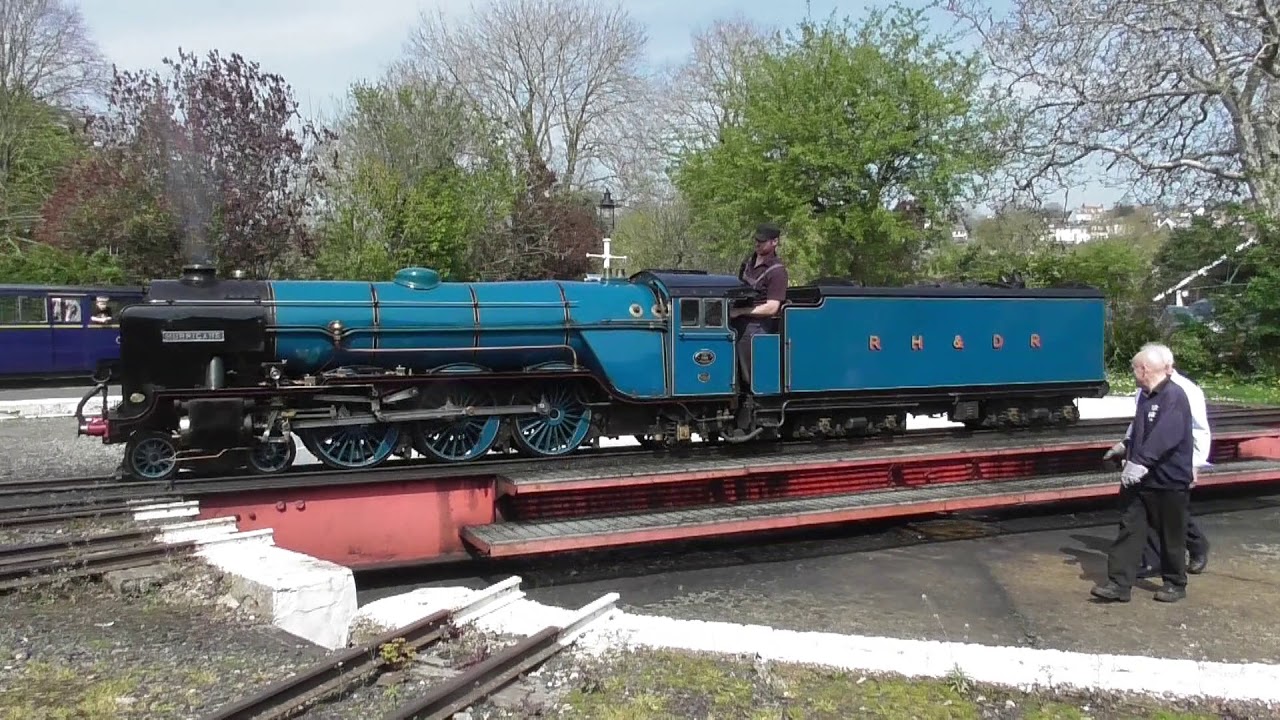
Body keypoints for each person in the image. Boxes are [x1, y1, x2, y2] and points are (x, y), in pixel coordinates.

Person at [1091, 345, 1195, 603]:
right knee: (1130, 529)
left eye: (1134, 368)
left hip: (1167, 479)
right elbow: (1140, 429)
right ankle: (1119, 583)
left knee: (1170, 533)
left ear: (1144, 369)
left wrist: (1141, 463)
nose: (1133, 373)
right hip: (1140, 480)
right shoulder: (1146, 396)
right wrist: (1124, 446)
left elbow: (1166, 436)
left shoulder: (1174, 396)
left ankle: (1175, 583)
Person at [1104, 344, 1211, 577]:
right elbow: (1140, 423)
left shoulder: (1183, 391)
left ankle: (1197, 546)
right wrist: (1126, 444)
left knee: (1173, 519)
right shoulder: (1145, 390)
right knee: (1149, 515)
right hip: (1148, 462)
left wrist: (1196, 464)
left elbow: (1199, 429)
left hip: (1173, 462)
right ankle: (1152, 561)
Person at [728, 223, 788, 434]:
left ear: (774, 243)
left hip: (758, 324)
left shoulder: (778, 271)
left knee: (749, 340)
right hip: (738, 318)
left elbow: (772, 307)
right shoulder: (747, 263)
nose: (757, 244)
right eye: (756, 240)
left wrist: (742, 311)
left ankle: (755, 393)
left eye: (762, 242)